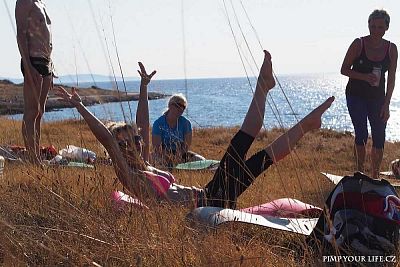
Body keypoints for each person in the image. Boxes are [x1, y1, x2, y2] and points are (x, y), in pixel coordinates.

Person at [56, 52, 335, 208]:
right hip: (211, 200)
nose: (138, 142)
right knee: (246, 145)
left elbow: (142, 122)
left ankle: (302, 119)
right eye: (130, 141)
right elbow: (106, 138)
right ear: (120, 148)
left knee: (261, 158)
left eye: (138, 139)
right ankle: (267, 90)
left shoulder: (144, 163)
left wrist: (143, 88)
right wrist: (80, 107)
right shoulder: (128, 173)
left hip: (213, 193)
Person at [341, 9, 398, 178]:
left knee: (379, 135)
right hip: (356, 95)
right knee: (362, 133)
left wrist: (387, 104)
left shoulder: (391, 49)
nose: (375, 30)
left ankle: (374, 176)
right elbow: (344, 69)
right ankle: (359, 172)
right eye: (372, 26)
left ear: (386, 28)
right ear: (368, 25)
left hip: (378, 98)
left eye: (380, 27)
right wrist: (364, 77)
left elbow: (392, 78)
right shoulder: (358, 44)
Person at [16, 0, 54, 163]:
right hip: (34, 60)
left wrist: (52, 66)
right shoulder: (24, 2)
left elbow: (47, 36)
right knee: (31, 112)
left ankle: (36, 154)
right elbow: (21, 34)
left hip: (46, 63)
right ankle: (32, 159)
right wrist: (28, 65)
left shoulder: (41, 3)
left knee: (40, 112)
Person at [152, 94, 205, 167]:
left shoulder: (186, 123)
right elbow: (157, 147)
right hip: (162, 155)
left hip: (180, 154)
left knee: (201, 160)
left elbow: (186, 145)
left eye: (183, 107)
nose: (181, 109)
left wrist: (178, 156)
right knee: (152, 160)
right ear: (170, 105)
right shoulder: (158, 123)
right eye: (178, 105)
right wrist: (169, 157)